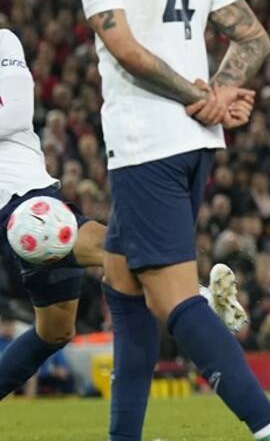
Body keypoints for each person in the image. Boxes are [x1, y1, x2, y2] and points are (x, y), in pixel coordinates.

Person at [63, 0, 270, 440]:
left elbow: (124, 48)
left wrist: (202, 95)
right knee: (122, 287)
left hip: (148, 142)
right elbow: (253, 37)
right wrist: (217, 94)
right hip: (195, 144)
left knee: (173, 299)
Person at [0, 28, 247, 401]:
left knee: (54, 329)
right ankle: (194, 298)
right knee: (103, 245)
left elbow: (16, 114)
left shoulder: (4, 41)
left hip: (25, 191)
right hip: (22, 203)